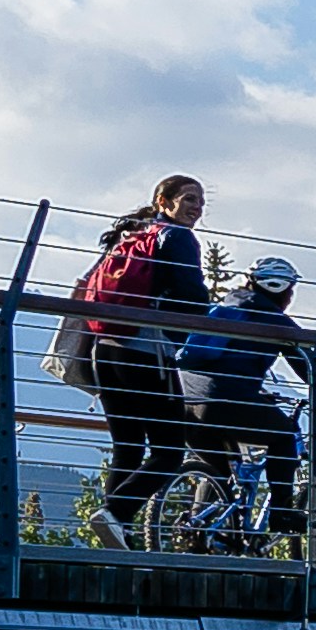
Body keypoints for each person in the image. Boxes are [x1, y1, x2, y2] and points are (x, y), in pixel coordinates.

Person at [76, 175, 210, 536]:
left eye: (201, 202)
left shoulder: (132, 234)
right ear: (163, 201)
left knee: (128, 446)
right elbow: (192, 296)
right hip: (147, 352)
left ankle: (117, 533)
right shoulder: (177, 237)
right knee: (169, 452)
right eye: (189, 200)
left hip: (104, 351)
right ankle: (116, 515)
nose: (197, 208)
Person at [173, 258, 314, 545]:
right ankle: (282, 512)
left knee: (219, 471)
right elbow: (311, 369)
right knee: (284, 437)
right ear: (286, 292)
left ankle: (201, 528)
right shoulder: (276, 321)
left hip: (184, 401)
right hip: (223, 401)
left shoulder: (222, 308)